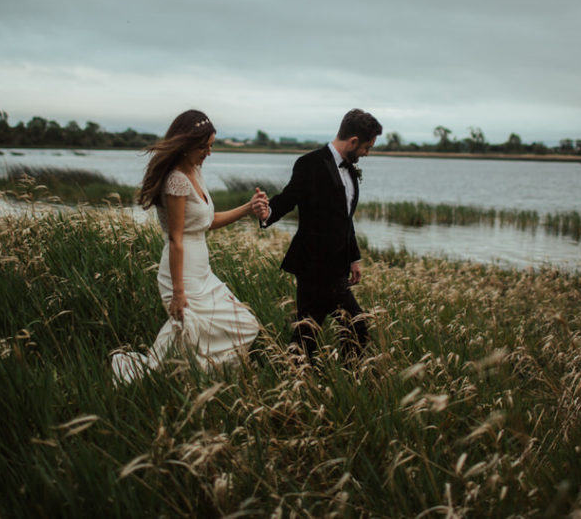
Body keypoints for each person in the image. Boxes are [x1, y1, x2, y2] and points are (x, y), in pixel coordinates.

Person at [112, 110, 268, 384]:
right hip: (181, 276)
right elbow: (175, 239)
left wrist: (248, 208)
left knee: (244, 324)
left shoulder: (195, 172)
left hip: (202, 272)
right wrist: (178, 293)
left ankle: (199, 378)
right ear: (185, 145)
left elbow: (206, 222)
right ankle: (163, 379)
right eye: (203, 147)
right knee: (192, 332)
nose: (208, 153)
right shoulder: (176, 181)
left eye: (210, 146)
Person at [252, 108, 382, 362]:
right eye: (367, 147)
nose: (367, 153)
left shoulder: (351, 171)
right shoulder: (309, 164)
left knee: (308, 332)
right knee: (356, 324)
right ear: (353, 141)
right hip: (313, 266)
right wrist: (266, 212)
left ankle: (297, 376)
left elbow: (345, 219)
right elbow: (288, 199)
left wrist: (353, 257)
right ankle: (351, 378)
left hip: (337, 267)